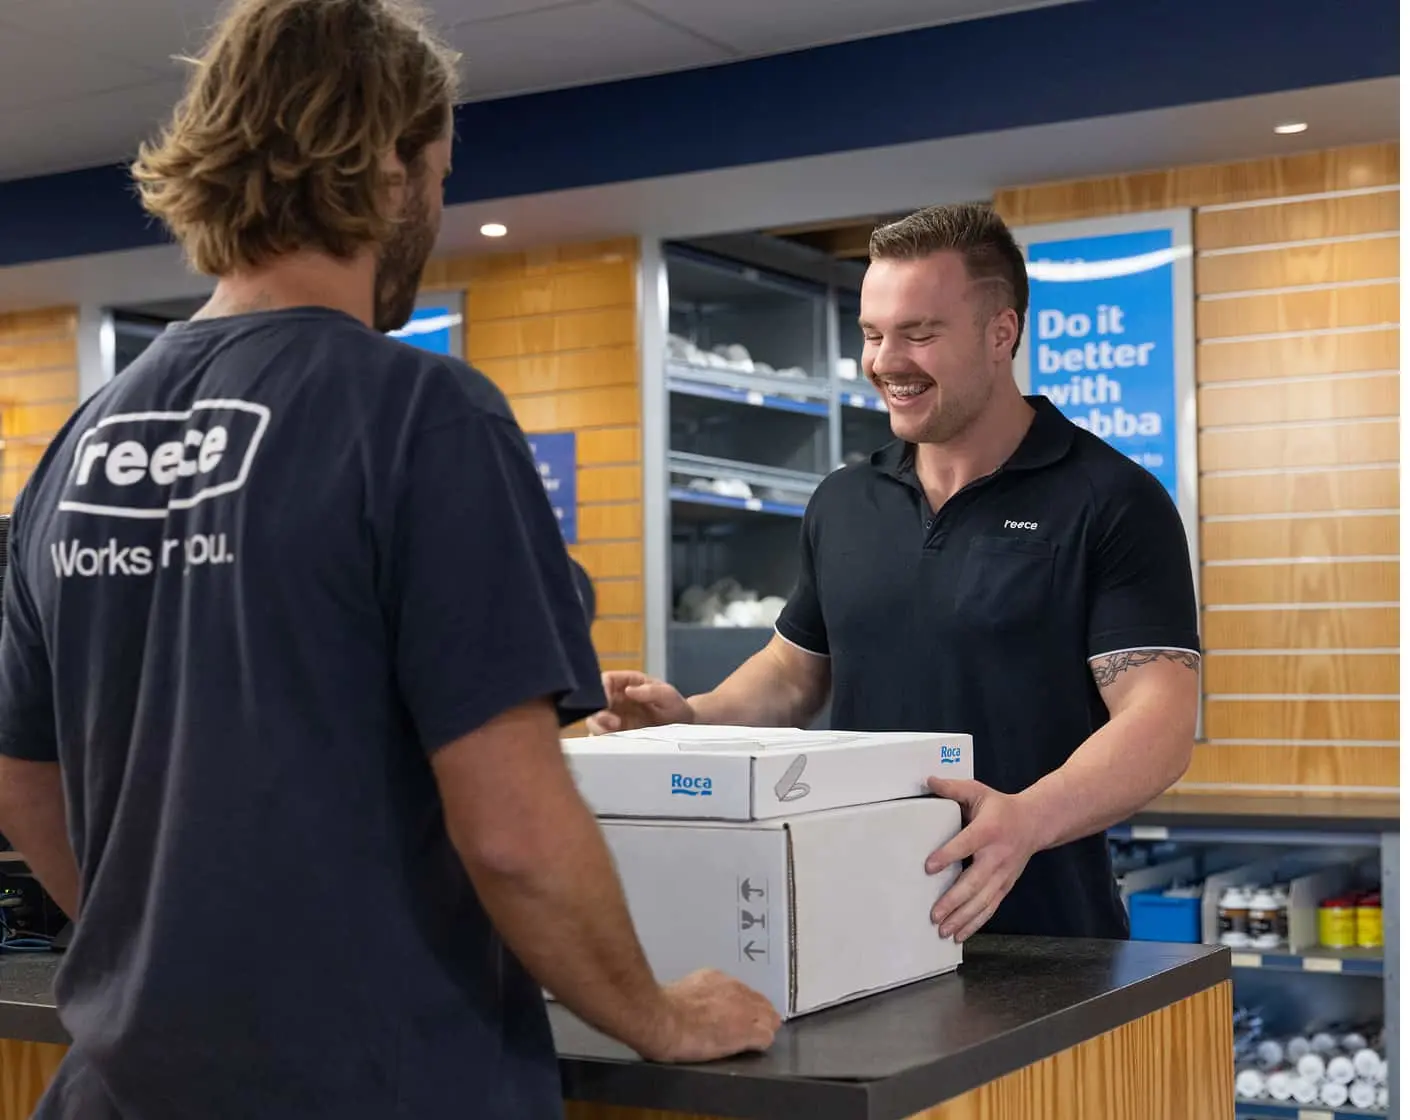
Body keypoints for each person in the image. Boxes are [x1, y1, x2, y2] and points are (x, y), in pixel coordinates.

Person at [0, 2, 777, 1117]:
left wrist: (171, 954)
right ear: (387, 162)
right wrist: (658, 1012)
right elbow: (512, 828)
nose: (439, 208)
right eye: (441, 172)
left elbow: (22, 780)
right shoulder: (422, 416)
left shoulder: (83, 443)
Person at [589, 203, 1200, 944]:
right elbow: (791, 675)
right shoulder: (845, 501)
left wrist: (1029, 818)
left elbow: (1159, 720)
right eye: (874, 335)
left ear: (1000, 333)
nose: (884, 361)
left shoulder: (1108, 498)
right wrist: (693, 718)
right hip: (858, 934)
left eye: (920, 333)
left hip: (1045, 939)